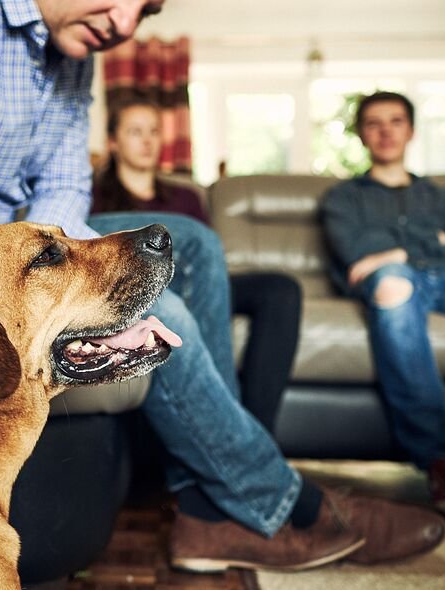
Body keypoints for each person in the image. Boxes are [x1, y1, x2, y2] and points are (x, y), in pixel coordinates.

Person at [0, 0, 444, 572]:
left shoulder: (71, 52)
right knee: (161, 301)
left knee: (192, 243)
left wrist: (97, 278)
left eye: (144, 9)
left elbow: (60, 198)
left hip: (27, 247)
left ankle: (206, 504)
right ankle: (269, 499)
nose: (122, 23)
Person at [322, 90, 445, 514]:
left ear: (411, 130)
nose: (385, 131)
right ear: (362, 135)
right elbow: (359, 252)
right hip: (393, 282)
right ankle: (439, 462)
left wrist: (400, 251)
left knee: (396, 270)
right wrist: (429, 245)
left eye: (395, 121)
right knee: (392, 285)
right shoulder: (343, 198)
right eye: (374, 123)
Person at [93, 95, 301, 431]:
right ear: (113, 142)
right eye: (135, 131)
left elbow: (206, 262)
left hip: (198, 282)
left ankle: (258, 430)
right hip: (149, 286)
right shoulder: (94, 197)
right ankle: (232, 423)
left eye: (154, 131)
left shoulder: (186, 197)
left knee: (280, 290)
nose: (147, 140)